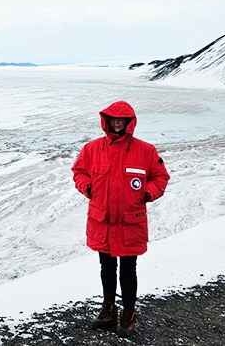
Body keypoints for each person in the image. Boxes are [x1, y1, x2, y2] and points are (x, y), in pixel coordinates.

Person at [72, 100, 170, 338]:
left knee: (128, 270)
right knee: (106, 268)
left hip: (129, 222)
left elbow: (160, 177)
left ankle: (128, 313)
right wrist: (88, 187)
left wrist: (147, 193)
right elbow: (79, 172)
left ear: (129, 122)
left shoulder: (145, 150)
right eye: (113, 119)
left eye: (121, 120)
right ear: (106, 121)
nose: (117, 124)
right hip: (102, 221)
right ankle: (108, 310)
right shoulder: (92, 148)